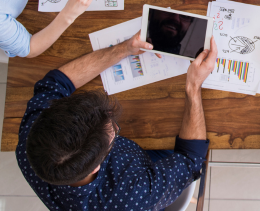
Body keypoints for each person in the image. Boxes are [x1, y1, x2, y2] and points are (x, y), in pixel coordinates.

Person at [15, 31, 218, 210]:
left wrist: (123, 49)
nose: (115, 123)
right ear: (97, 167)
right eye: (114, 130)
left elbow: (55, 83)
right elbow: (191, 160)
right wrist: (194, 85)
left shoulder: (32, 140)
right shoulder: (134, 195)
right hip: (147, 169)